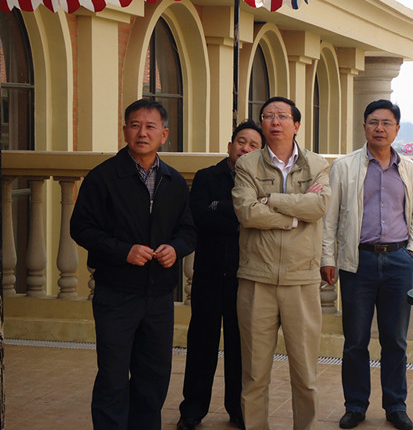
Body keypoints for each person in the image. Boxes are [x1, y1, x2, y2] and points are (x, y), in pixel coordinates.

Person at [70, 99, 196, 430]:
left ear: (163, 135)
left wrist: (176, 249)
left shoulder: (173, 181)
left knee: (153, 379)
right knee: (112, 378)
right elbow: (81, 228)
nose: (142, 133)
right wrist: (123, 251)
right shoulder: (103, 177)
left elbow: (188, 230)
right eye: (135, 125)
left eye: (150, 127)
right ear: (125, 130)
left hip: (159, 297)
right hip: (116, 294)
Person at [321, 99, 413, 430]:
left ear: (397, 129)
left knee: (395, 340)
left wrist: (411, 252)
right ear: (364, 126)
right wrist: (328, 258)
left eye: (386, 123)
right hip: (358, 262)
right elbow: (330, 218)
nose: (379, 128)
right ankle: (355, 405)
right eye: (373, 122)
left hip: (398, 261)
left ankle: (395, 405)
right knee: (355, 339)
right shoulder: (345, 167)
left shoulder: (410, 169)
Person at [232, 96, 331, 430]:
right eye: (268, 115)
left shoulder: (317, 164)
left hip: (301, 280)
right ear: (262, 123)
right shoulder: (247, 165)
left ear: (296, 124)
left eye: (282, 116)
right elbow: (247, 213)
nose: (275, 121)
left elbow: (318, 207)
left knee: (305, 375)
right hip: (256, 279)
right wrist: (293, 216)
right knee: (254, 374)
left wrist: (272, 199)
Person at [177, 120, 264, 430]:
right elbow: (200, 217)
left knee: (241, 346)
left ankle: (238, 409)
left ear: (260, 152)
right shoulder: (206, 177)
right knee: (202, 343)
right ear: (230, 146)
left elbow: (261, 219)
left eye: (253, 145)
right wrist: (240, 215)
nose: (245, 148)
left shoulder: (262, 181)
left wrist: (221, 208)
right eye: (241, 142)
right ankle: (192, 409)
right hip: (209, 274)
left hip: (247, 276)